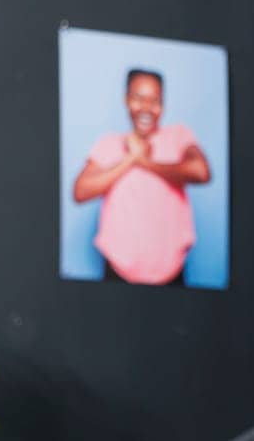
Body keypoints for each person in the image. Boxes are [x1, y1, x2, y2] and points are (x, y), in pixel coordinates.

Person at [72, 68, 211, 286]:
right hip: (117, 272)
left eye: (155, 100)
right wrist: (130, 159)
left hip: (172, 276)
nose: (146, 107)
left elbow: (201, 171)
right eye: (138, 98)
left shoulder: (179, 136)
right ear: (126, 100)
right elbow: (80, 191)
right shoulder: (109, 144)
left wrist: (145, 162)